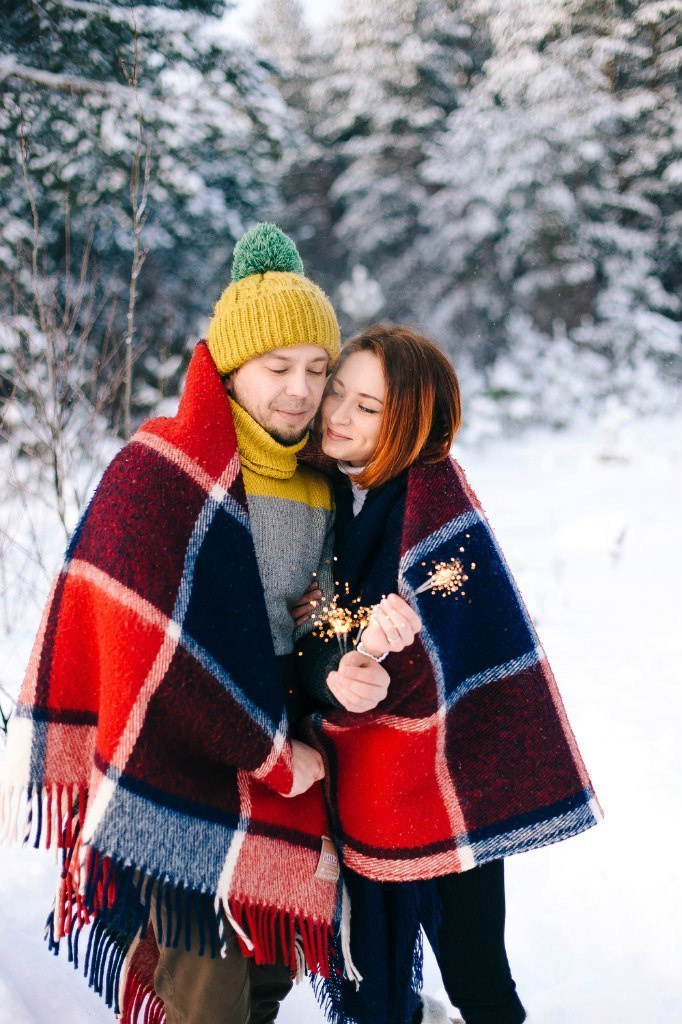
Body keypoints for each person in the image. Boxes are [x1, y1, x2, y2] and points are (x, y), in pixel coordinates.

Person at [0, 224, 385, 1024]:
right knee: (202, 994)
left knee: (267, 970)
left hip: (290, 753)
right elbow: (147, 648)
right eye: (277, 368)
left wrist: (340, 659)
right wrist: (272, 753)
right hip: (181, 755)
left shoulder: (324, 486)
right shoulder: (160, 470)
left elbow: (318, 622)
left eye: (317, 369)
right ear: (229, 366)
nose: (300, 389)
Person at [294, 325, 602, 1024]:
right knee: (370, 973)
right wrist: (340, 643)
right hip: (359, 778)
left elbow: (454, 620)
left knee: (477, 976)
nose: (337, 415)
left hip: (448, 780)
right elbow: (312, 629)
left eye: (367, 408)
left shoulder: (440, 512)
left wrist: (381, 636)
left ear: (409, 421)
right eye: (336, 391)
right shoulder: (318, 498)